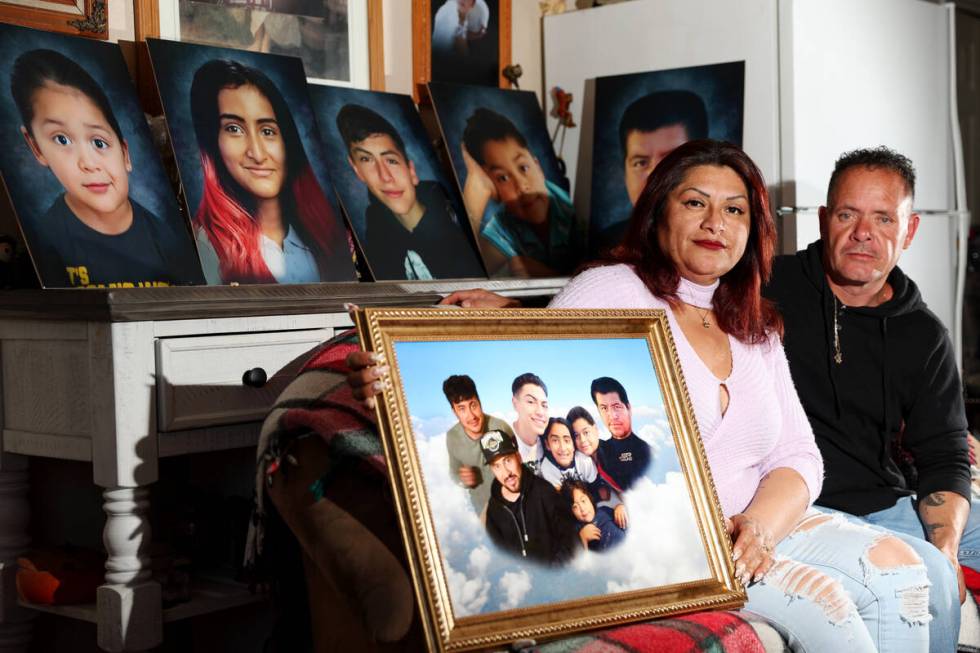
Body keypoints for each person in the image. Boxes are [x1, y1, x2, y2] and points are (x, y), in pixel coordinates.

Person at [349, 140, 935, 650]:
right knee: (828, 605)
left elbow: (799, 456)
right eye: (695, 203)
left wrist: (757, 529)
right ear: (659, 213)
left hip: (759, 525)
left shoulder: (755, 318)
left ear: (752, 228)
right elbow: (528, 387)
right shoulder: (611, 291)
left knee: (906, 575)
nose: (716, 223)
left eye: (734, 210)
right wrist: (392, 381)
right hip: (675, 542)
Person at [764, 146, 980, 650]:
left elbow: (944, 454)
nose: (864, 233)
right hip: (801, 506)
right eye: (847, 214)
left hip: (886, 502)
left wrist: (945, 540)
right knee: (930, 576)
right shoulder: (765, 288)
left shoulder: (922, 334)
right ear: (823, 219)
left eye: (884, 218)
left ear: (909, 231)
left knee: (942, 554)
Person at [10, 48, 201, 288]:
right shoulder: (46, 243)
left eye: (99, 142)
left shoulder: (167, 241)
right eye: (62, 140)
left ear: (125, 153)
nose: (88, 163)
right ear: (36, 147)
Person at [189, 58, 350, 285]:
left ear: (287, 140)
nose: (257, 152)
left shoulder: (326, 236)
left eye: (267, 131)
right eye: (234, 129)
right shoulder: (206, 246)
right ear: (213, 144)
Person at [335, 103, 483, 280]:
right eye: (366, 159)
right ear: (356, 169)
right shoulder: (374, 236)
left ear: (411, 171)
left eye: (391, 161)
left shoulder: (453, 217)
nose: (385, 176)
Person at [460, 108, 580, 277]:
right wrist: (475, 189)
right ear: (493, 190)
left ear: (537, 166)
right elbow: (464, 272)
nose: (522, 186)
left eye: (524, 167)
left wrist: (546, 274)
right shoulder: (499, 229)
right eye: (502, 178)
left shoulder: (574, 207)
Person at [596, 90, 709, 252]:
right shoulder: (602, 249)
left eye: (670, 160)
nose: (654, 175)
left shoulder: (724, 245)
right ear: (625, 172)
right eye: (641, 162)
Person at [480, 429, 578, 565]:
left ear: (518, 457)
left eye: (507, 460)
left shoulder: (545, 492)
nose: (506, 472)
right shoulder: (494, 511)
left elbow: (571, 543)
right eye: (497, 466)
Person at [441, 374, 515, 516]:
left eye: (473, 405)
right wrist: (463, 478)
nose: (471, 415)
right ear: (454, 411)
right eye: (462, 408)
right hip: (483, 512)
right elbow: (454, 471)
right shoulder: (452, 437)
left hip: (512, 507)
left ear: (480, 401)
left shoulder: (501, 427)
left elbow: (521, 465)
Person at [539, 417, 628, 529]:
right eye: (555, 440)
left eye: (567, 440)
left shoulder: (584, 461)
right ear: (547, 445)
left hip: (591, 501)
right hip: (573, 510)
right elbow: (561, 504)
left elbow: (602, 490)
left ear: (573, 445)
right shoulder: (548, 468)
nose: (562, 448)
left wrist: (618, 505)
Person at [589, 377, 652, 491]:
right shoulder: (598, 451)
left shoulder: (646, 452)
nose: (612, 415)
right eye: (604, 408)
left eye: (616, 407)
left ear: (628, 408)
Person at [561, 479, 625, 552]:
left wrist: (620, 507)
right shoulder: (577, 530)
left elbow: (625, 524)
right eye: (575, 507)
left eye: (583, 501)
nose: (582, 509)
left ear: (590, 498)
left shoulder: (604, 510)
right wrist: (582, 539)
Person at [509, 372, 549, 474]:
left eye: (544, 405)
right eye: (531, 402)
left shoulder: (549, 440)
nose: (540, 412)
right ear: (515, 404)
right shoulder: (503, 443)